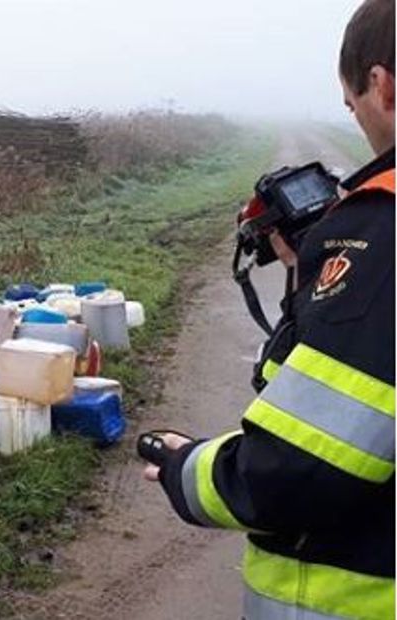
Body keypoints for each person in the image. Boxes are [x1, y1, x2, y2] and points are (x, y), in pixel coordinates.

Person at [142, 1, 395, 618]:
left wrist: (188, 469)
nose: (352, 112)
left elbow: (300, 469)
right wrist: (310, 279)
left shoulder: (382, 235)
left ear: (381, 86)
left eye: (350, 97)